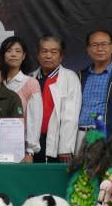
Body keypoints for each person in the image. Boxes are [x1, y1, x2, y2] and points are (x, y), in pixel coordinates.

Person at [29, 35, 81, 163]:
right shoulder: (31, 78)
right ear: (38, 55)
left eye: (54, 52)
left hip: (57, 142)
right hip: (32, 142)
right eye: (44, 51)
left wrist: (65, 147)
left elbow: (71, 115)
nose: (48, 56)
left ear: (61, 56)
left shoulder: (70, 78)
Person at [0, 36, 41, 159]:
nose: (13, 54)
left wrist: (29, 150)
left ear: (23, 56)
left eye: (18, 51)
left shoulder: (31, 83)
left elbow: (34, 120)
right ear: (2, 55)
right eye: (9, 51)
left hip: (20, 149)